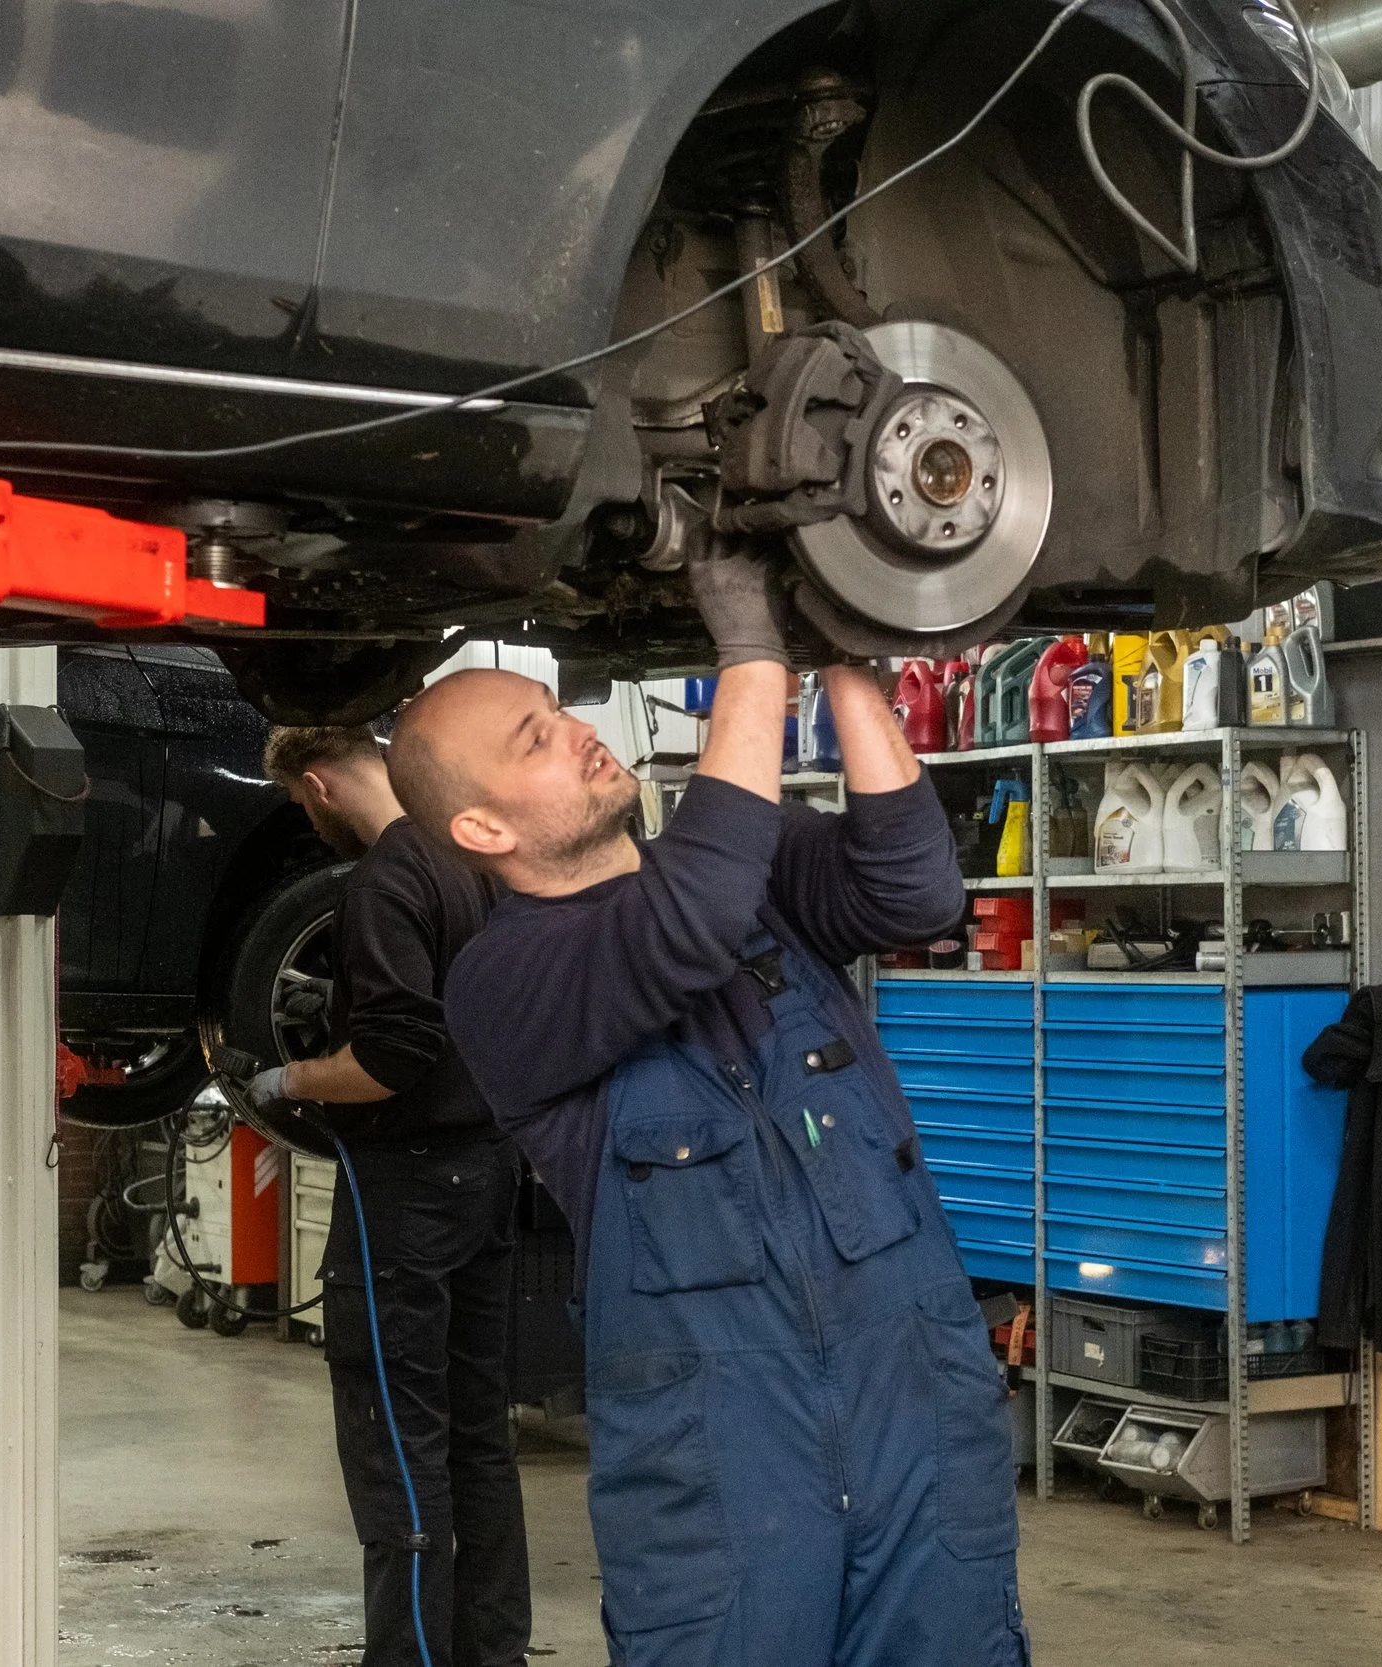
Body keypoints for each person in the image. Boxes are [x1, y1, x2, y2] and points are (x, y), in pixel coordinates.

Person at [388, 547, 1028, 1667]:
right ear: (483, 830)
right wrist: (749, 653)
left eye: (559, 709)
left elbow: (913, 886)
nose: (580, 730)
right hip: (724, 1457)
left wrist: (840, 656)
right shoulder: (501, 984)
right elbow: (682, 924)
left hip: (914, 1399)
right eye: (534, 739)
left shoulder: (746, 869)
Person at [246, 725, 532, 1667]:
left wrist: (292, 1081)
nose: (306, 819)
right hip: (490, 1168)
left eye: (298, 804)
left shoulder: (384, 878)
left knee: (394, 1435)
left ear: (320, 784)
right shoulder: (473, 849)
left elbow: (390, 1056)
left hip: (405, 1185)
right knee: (477, 1433)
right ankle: (489, 1652)